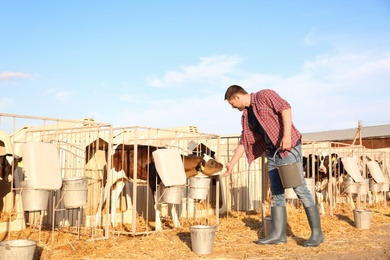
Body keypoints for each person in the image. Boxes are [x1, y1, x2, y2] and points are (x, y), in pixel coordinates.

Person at [223, 85, 324, 247]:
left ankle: (317, 233)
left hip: (288, 148)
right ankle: (278, 234)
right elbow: (245, 141)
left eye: (231, 103)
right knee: (276, 193)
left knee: (300, 188)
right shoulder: (246, 116)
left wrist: (286, 136)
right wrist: (231, 163)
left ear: (237, 97)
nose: (232, 107)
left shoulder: (264, 95)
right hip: (272, 153)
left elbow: (285, 108)